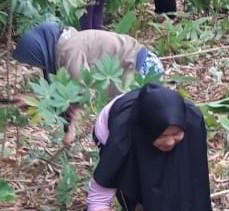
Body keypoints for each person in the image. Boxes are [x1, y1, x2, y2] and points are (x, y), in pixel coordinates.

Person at [87, 83, 212, 211]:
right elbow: (98, 200)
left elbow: (190, 178)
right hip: (127, 140)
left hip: (154, 129)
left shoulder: (191, 122)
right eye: (163, 136)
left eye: (176, 134)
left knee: (181, 203)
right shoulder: (120, 143)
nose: (170, 142)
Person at [13, 21, 163, 146]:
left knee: (134, 130)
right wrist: (32, 100)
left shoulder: (69, 50)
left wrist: (72, 130)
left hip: (142, 70)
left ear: (41, 50)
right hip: (143, 66)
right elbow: (65, 93)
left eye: (36, 62)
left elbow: (81, 94)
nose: (39, 67)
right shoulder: (66, 44)